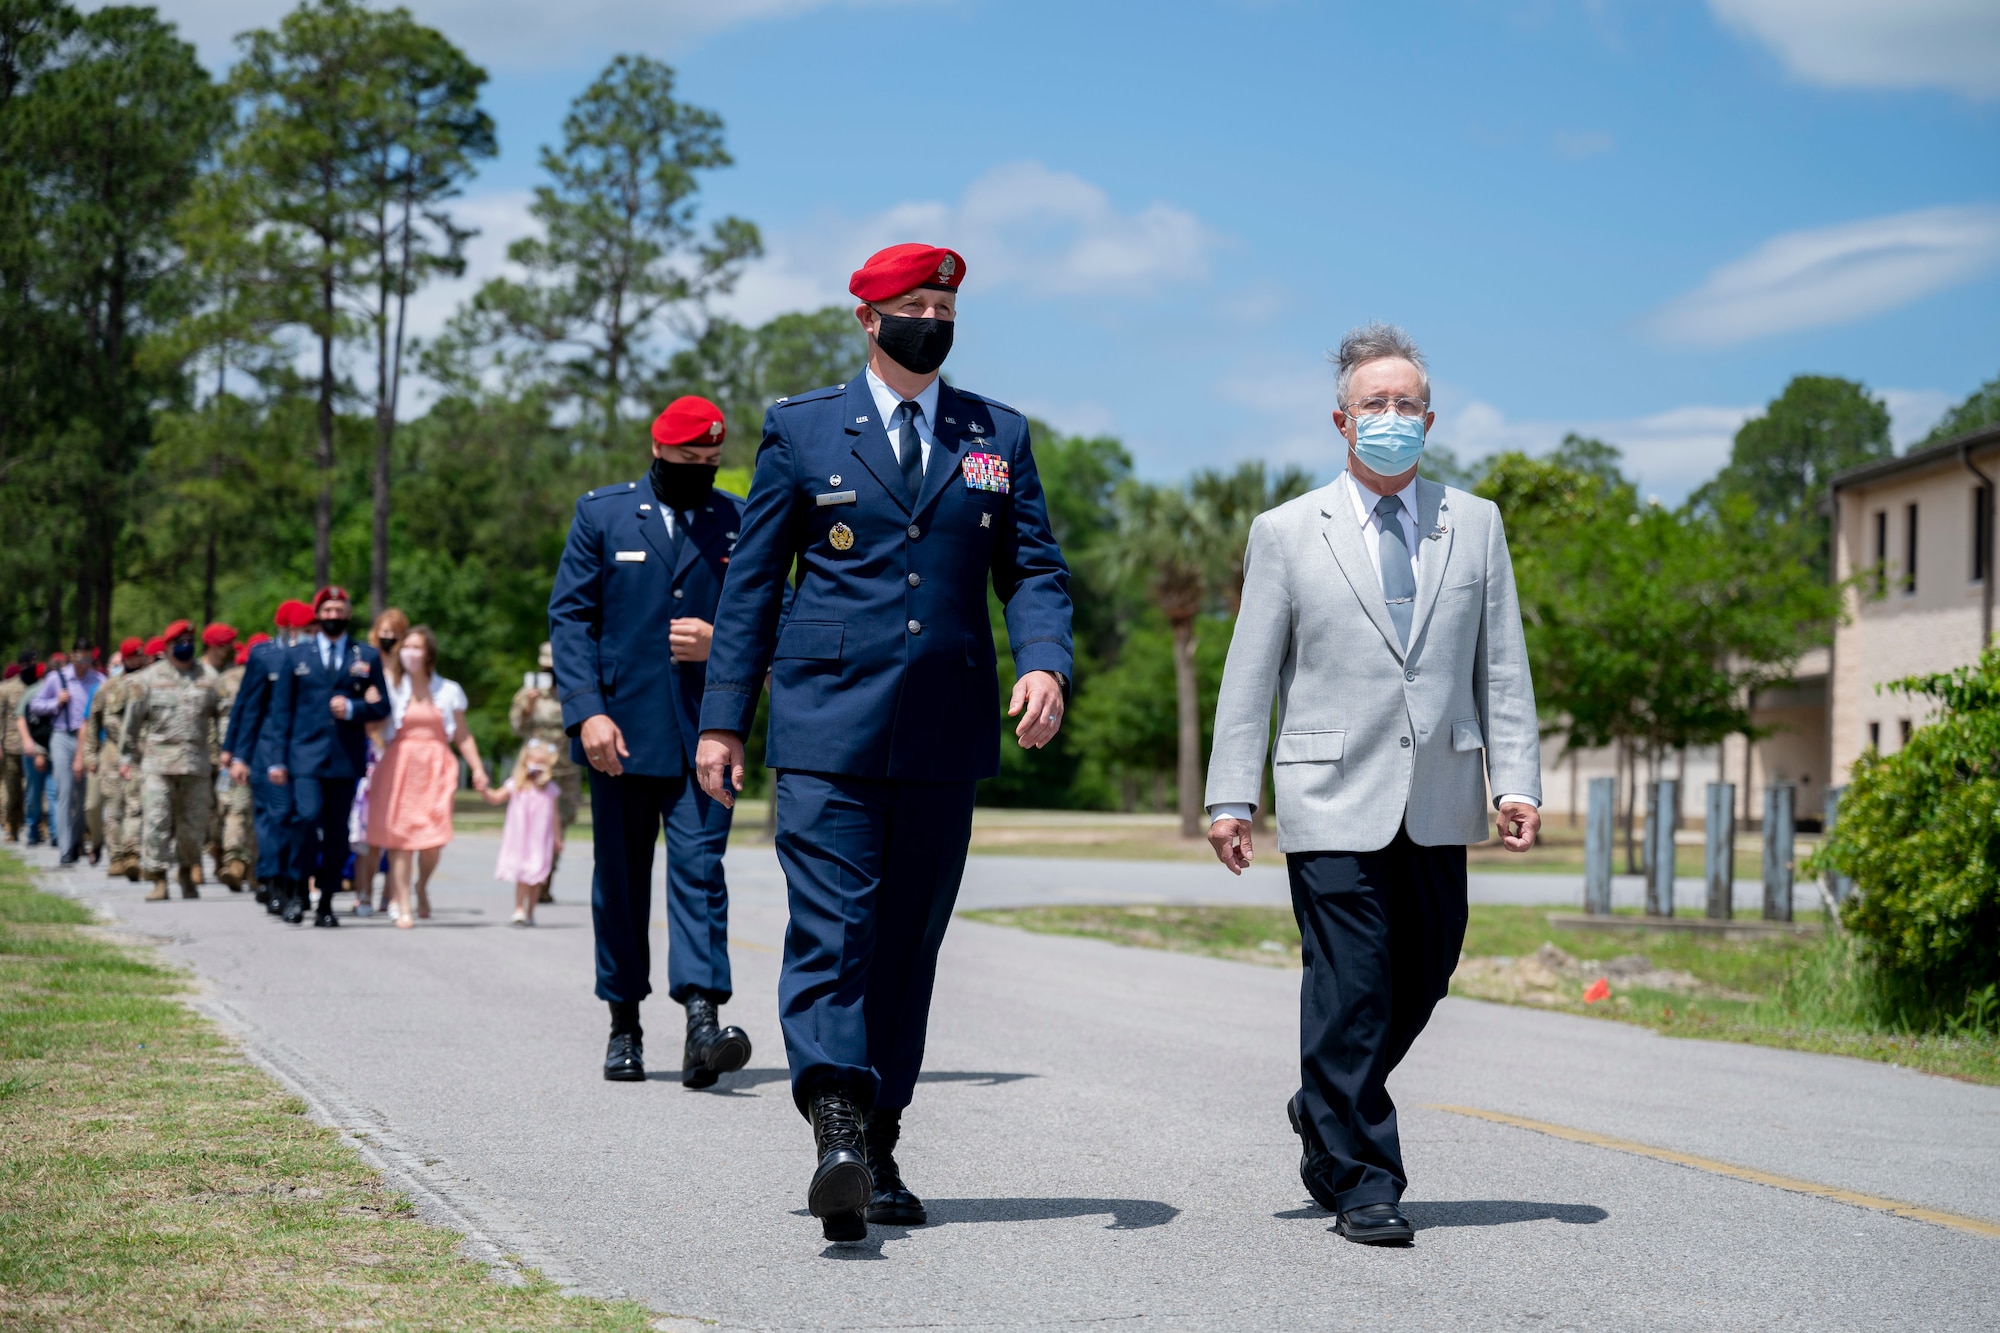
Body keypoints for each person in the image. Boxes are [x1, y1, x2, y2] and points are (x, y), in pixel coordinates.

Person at [696, 244, 1074, 1243]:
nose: (932, 318)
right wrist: (723, 718)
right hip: (825, 729)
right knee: (833, 933)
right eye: (913, 304)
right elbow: (750, 587)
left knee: (906, 945)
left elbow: (1032, 566)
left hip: (944, 735)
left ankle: (882, 1137)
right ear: (867, 319)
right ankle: (835, 1124)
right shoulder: (802, 427)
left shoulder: (996, 433)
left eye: (943, 302)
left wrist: (1043, 659)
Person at [1204, 324, 1543, 1247]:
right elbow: (1248, 674)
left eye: (1406, 404)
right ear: (1340, 420)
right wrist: (1231, 797)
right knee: (1352, 984)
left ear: (1428, 418)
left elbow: (1500, 665)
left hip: (1439, 794)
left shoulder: (1474, 523)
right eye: (1373, 404)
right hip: (1327, 793)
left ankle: (1324, 1098)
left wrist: (1517, 780)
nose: (1390, 417)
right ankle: (1362, 1176)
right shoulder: (1285, 531)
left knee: (1426, 968)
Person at [550, 394, 755, 1091]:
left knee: (701, 874)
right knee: (621, 883)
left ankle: (702, 1022)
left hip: (707, 734)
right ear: (658, 451)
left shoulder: (738, 519)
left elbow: (775, 612)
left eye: (711, 461)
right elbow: (570, 620)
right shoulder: (603, 514)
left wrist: (719, 640)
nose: (701, 470)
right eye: (688, 460)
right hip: (620, 736)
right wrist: (586, 714)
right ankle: (624, 1023)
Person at [265, 587, 390, 926]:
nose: (333, 616)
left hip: (344, 758)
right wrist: (277, 758)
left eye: (340, 610)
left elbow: (382, 706)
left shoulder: (365, 656)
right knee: (306, 819)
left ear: (348, 614)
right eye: (328, 610)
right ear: (318, 615)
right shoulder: (297, 656)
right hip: (304, 756)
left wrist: (353, 707)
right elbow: (281, 711)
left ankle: (326, 903)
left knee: (337, 833)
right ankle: (296, 891)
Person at [365, 624, 487, 928]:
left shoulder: (448, 690)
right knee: (401, 839)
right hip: (399, 766)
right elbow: (372, 728)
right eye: (406, 646)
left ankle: (421, 886)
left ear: (429, 653)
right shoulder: (392, 688)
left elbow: (463, 735)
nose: (410, 653)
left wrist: (478, 769)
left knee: (433, 840)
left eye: (417, 647)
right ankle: (403, 903)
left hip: (436, 767)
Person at [121, 621, 224, 902]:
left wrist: (228, 751)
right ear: (167, 647)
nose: (186, 645)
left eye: (190, 640)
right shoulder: (148, 679)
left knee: (193, 826)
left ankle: (187, 870)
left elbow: (224, 715)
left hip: (196, 764)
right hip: (158, 764)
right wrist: (126, 757)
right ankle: (158, 878)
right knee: (156, 821)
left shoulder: (210, 678)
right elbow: (132, 722)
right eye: (180, 641)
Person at [224, 602, 314, 915]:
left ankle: (296, 884)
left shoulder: (314, 658)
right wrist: (237, 753)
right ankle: (273, 882)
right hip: (265, 750)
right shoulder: (264, 656)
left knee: (300, 820)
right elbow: (247, 708)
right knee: (272, 820)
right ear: (290, 629)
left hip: (302, 751)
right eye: (305, 630)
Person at [507, 641, 581, 903]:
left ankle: (547, 878)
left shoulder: (573, 690)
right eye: (546, 666)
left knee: (559, 825)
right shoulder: (529, 693)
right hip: (535, 772)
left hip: (565, 770)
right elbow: (516, 727)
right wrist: (527, 706)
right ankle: (532, 878)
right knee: (532, 825)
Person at [351, 608, 409, 914]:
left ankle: (391, 895)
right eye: (383, 631)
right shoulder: (366, 667)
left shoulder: (407, 674)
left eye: (394, 632)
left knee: (395, 832)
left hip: (401, 757)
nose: (388, 637)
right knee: (367, 832)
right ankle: (363, 893)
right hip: (373, 753)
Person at [28, 639, 105, 865]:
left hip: (89, 740)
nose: (84, 663)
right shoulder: (57, 678)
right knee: (65, 791)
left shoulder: (99, 680)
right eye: (81, 658)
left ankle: (75, 840)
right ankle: (64, 848)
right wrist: (55, 702)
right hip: (62, 736)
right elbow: (35, 705)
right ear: (72, 656)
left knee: (84, 796)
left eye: (89, 658)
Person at [85, 637, 151, 878]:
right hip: (112, 752)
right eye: (132, 656)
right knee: (114, 806)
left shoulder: (150, 683)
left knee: (137, 804)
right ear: (125, 658)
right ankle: (116, 856)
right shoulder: (108, 688)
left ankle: (133, 853)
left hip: (143, 752)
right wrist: (90, 755)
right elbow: (93, 723)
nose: (137, 660)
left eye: (140, 655)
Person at [196, 624, 254, 891]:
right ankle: (201, 859)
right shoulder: (196, 673)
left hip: (231, 756)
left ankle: (235, 861)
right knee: (204, 812)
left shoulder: (237, 675)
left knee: (234, 807)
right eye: (225, 644)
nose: (230, 649)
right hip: (199, 755)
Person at [486, 737, 562, 926]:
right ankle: (518, 908)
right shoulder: (516, 784)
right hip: (521, 839)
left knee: (536, 876)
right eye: (534, 761)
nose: (537, 766)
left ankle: (531, 911)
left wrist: (557, 838)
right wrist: (483, 789)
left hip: (540, 840)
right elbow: (496, 797)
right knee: (522, 874)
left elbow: (555, 816)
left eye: (541, 762)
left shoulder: (550, 789)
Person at [14, 660, 50, 846]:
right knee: (39, 792)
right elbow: (20, 717)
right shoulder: (33, 692)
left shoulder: (32, 691)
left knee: (37, 792)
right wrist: (29, 742)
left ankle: (42, 830)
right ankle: (37, 830)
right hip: (35, 748)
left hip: (46, 748)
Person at [1, 656, 33, 842]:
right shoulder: (6, 689)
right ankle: (12, 826)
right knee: (13, 789)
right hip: (12, 746)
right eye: (28, 663)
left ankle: (38, 825)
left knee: (34, 789)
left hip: (34, 746)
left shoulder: (38, 687)